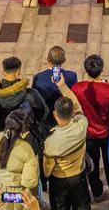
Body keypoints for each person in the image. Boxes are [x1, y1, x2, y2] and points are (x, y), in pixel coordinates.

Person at [71, 53, 109, 199]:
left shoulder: (77, 88)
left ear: (86, 70)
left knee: (92, 164)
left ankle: (97, 190)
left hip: (87, 133)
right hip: (107, 132)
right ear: (102, 70)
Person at [43, 79, 90, 210]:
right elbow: (78, 106)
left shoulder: (50, 140)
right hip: (79, 177)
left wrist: (46, 175)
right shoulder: (81, 124)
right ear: (73, 113)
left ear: (55, 114)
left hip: (59, 181)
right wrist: (62, 86)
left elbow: (47, 167)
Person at [0, 109, 40, 196]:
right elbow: (29, 182)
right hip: (20, 195)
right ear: (23, 131)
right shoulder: (26, 148)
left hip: (0, 191)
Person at [0, 57, 47, 130]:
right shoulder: (31, 94)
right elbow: (43, 114)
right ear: (18, 72)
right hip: (25, 134)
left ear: (4, 73)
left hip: (2, 134)